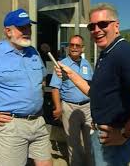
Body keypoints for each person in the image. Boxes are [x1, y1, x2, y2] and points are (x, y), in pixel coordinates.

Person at [54, 3, 130, 166]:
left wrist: (125, 133)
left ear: (116, 26)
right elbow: (94, 91)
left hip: (115, 143)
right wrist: (70, 74)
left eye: (103, 24)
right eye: (92, 26)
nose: (96, 30)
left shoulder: (125, 53)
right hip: (103, 138)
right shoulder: (107, 54)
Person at [0, 8, 53, 166]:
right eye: (21, 28)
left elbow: (40, 81)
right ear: (8, 31)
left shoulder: (33, 52)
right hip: (10, 126)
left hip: (38, 122)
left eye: (29, 27)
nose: (27, 31)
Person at [49, 35, 94, 166]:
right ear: (68, 47)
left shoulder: (87, 64)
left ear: (83, 48)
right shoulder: (61, 65)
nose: (74, 48)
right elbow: (55, 88)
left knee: (90, 140)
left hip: (88, 108)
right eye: (72, 45)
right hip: (70, 107)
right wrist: (58, 108)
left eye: (77, 45)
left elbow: (92, 86)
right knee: (73, 143)